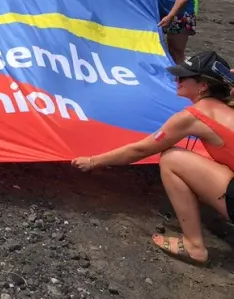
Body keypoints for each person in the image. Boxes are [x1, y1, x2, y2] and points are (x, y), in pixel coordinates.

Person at [72, 50, 234, 267]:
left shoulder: (193, 117)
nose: (177, 80)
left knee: (172, 158)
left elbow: (140, 150)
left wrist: (93, 161)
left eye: (183, 77)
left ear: (203, 85)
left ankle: (194, 246)